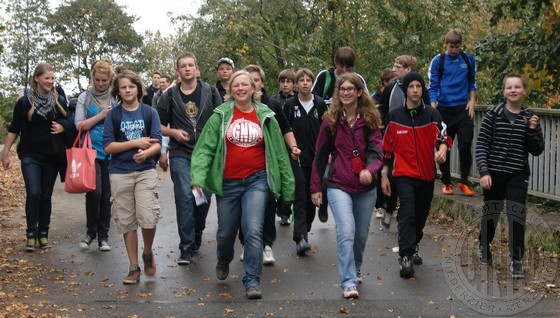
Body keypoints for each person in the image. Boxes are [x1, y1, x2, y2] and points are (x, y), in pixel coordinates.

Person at [190, 70, 294, 299]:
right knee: (226, 232)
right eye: (235, 85)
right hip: (228, 183)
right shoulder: (220, 115)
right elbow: (205, 149)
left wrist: (288, 188)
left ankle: (252, 280)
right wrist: (197, 177)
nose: (240, 88)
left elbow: (279, 154)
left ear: (254, 89)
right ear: (230, 90)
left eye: (245, 84)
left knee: (253, 230)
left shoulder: (266, 116)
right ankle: (223, 258)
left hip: (257, 181)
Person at [310, 72, 383, 299]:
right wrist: (315, 188)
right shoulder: (330, 121)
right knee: (346, 232)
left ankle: (357, 265)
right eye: (342, 89)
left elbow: (377, 152)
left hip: (365, 187)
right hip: (338, 184)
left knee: (360, 234)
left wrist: (370, 172)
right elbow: (320, 155)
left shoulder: (370, 120)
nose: (346, 93)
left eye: (351, 89)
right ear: (338, 93)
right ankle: (348, 281)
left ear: (360, 92)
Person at [381, 72, 450, 279]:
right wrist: (384, 175)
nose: (415, 90)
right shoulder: (394, 116)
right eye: (411, 86)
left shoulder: (432, 115)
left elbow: (443, 137)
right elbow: (386, 149)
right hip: (403, 173)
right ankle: (405, 256)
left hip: (427, 175)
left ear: (422, 90)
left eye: (418, 86)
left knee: (420, 215)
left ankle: (414, 243)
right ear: (405, 90)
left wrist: (443, 150)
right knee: (407, 211)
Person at [1, 62, 77, 251]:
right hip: (30, 154)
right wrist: (5, 153)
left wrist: (62, 126)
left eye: (52, 78)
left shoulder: (59, 99)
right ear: (37, 79)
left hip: (51, 155)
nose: (51, 81)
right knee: (33, 193)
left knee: (45, 195)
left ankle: (43, 233)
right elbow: (14, 129)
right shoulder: (25, 102)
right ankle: (30, 234)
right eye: (47, 78)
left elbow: (69, 121)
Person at [156, 52, 222, 265]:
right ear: (178, 71)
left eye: (190, 65)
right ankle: (185, 247)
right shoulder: (169, 96)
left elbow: (222, 118)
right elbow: (157, 126)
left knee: (202, 199)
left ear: (197, 69)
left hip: (207, 154)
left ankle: (197, 232)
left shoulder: (210, 92)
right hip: (181, 153)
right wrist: (172, 135)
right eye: (182, 66)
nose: (187, 69)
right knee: (185, 197)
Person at [476, 73, 544, 278]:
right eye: (509, 87)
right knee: (491, 212)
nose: (513, 90)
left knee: (517, 214)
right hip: (494, 173)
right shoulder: (493, 114)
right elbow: (481, 145)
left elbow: (537, 150)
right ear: (504, 91)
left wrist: (532, 130)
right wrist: (484, 172)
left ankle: (516, 260)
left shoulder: (530, 118)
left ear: (524, 91)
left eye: (517, 87)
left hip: (517, 174)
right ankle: (483, 245)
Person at [102, 70, 162, 284]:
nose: (127, 90)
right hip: (120, 173)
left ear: (138, 88)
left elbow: (157, 143)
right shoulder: (114, 115)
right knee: (127, 221)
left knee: (148, 217)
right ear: (118, 91)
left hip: (145, 171)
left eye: (131, 86)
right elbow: (108, 146)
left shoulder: (149, 112)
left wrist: (146, 153)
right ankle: (134, 267)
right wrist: (135, 143)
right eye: (123, 87)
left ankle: (147, 252)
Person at [242, 64, 300, 265]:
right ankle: (247, 244)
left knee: (267, 206)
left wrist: (293, 146)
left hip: (268, 166)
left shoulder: (272, 105)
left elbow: (286, 127)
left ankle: (266, 245)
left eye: (255, 80)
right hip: (241, 169)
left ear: (262, 84)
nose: (251, 84)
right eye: (247, 80)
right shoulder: (234, 106)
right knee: (244, 208)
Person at [376, 55, 425, 229]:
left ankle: (406, 214)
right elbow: (382, 110)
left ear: (408, 69)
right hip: (392, 138)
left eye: (398, 66)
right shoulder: (390, 88)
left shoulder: (418, 88)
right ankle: (388, 208)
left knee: (407, 178)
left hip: (413, 142)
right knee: (390, 174)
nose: (394, 69)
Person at [74, 59, 117, 251]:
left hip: (111, 151)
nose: (100, 84)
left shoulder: (116, 98)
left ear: (110, 80)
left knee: (106, 196)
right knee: (94, 193)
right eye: (98, 80)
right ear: (93, 77)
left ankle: (103, 236)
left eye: (104, 81)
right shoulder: (85, 97)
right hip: (90, 152)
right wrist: (100, 117)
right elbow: (79, 125)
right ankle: (90, 231)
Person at [428, 29, 477, 196]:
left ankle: (464, 181)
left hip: (463, 109)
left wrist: (472, 100)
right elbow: (433, 86)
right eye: (451, 46)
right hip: (444, 110)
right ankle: (447, 182)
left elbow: (472, 81)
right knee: (444, 146)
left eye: (456, 46)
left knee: (465, 144)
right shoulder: (438, 61)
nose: (454, 50)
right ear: (445, 44)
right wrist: (433, 107)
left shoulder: (468, 59)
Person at [284, 68, 327, 255]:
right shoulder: (290, 105)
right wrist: (290, 150)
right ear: (296, 84)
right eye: (300, 80)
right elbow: (284, 130)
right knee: (300, 196)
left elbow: (326, 130)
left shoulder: (319, 104)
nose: (304, 83)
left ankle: (305, 229)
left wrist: (328, 151)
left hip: (316, 159)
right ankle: (300, 237)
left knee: (311, 201)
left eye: (308, 80)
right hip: (297, 159)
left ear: (312, 83)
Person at [269, 68, 297, 225]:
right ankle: (282, 210)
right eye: (283, 81)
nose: (285, 84)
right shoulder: (273, 100)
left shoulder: (297, 100)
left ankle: (287, 208)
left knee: (290, 176)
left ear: (293, 84)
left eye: (288, 81)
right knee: (279, 175)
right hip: (277, 142)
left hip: (292, 142)